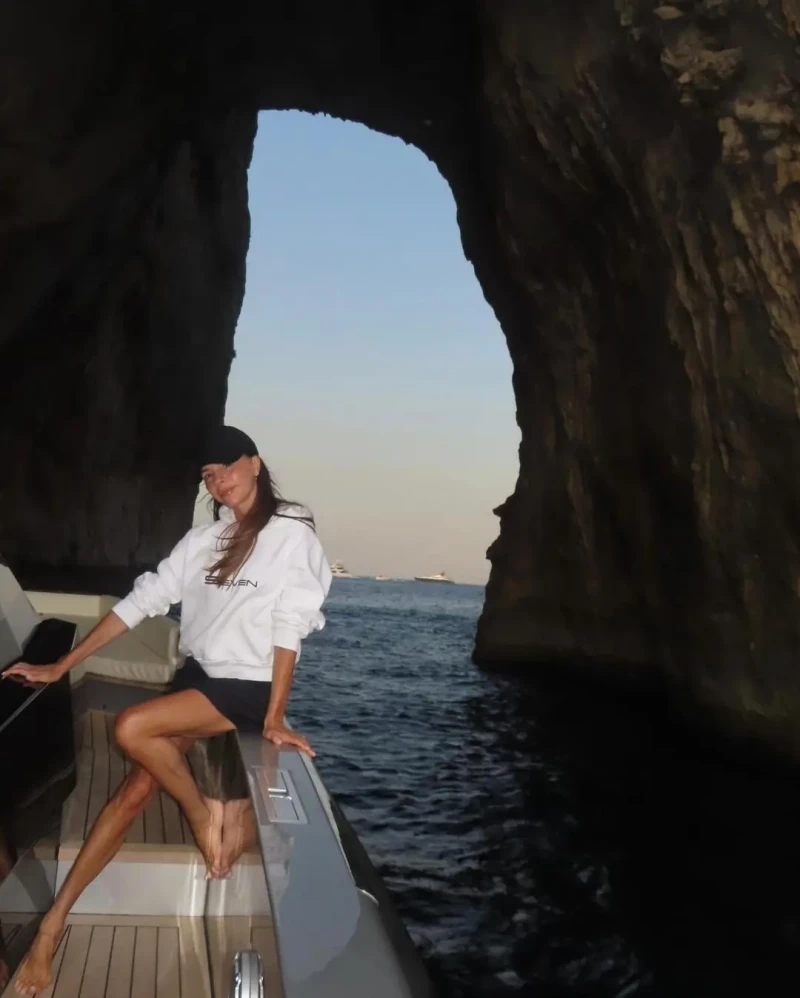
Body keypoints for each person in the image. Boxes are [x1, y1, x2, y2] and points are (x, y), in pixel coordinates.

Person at [4, 425, 332, 997]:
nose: (219, 481)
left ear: (254, 463)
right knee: (132, 792)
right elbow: (142, 602)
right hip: (201, 678)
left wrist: (276, 715)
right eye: (208, 476)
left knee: (133, 727)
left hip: (248, 687)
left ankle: (207, 817)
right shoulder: (204, 541)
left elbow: (290, 626)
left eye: (227, 468)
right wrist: (62, 666)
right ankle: (49, 932)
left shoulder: (290, 536)